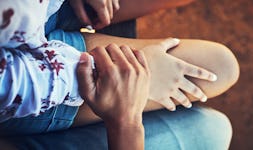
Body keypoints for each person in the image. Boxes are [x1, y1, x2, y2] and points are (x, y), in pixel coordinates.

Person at [0, 0, 239, 149]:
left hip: (32, 17)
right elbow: (20, 83)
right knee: (219, 73)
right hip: (31, 85)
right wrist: (126, 122)